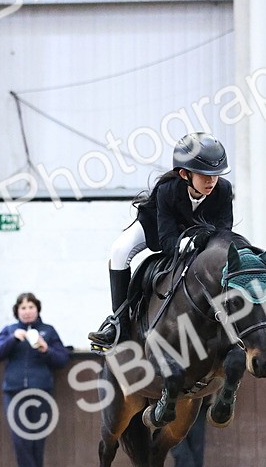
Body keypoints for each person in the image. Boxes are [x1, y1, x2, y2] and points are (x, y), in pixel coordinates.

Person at [88, 132, 234, 349]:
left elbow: (224, 234)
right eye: (204, 175)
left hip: (198, 233)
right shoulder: (167, 190)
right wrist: (193, 242)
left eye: (215, 175)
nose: (211, 181)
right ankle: (118, 323)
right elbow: (167, 241)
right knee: (119, 250)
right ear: (184, 174)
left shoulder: (223, 190)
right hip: (156, 228)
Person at [0, 292, 70, 467]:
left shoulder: (48, 331)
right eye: (23, 307)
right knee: (19, 438)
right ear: (17, 311)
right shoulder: (10, 330)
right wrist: (13, 339)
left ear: (37, 309)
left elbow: (62, 359)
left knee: (38, 437)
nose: (27, 311)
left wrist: (46, 349)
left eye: (30, 307)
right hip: (14, 392)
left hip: (41, 391)